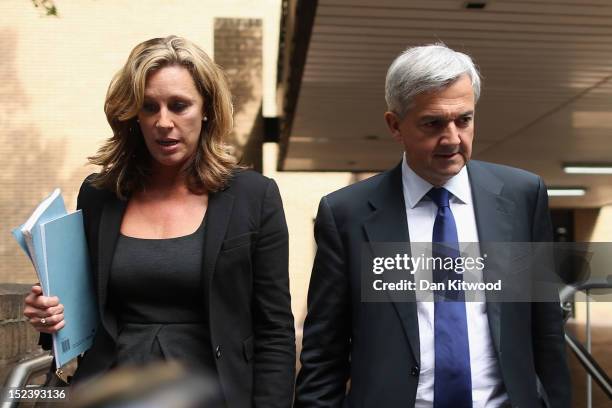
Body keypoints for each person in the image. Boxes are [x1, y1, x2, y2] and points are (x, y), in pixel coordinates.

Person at [23, 35, 295, 408]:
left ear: (206, 109)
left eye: (179, 105)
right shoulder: (100, 194)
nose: (162, 122)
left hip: (217, 393)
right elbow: (83, 309)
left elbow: (275, 329)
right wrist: (49, 315)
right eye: (149, 107)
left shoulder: (253, 196)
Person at [295, 44, 571, 407]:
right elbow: (324, 353)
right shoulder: (347, 213)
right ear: (395, 125)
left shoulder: (522, 196)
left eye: (464, 120)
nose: (453, 138)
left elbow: (546, 329)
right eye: (434, 123)